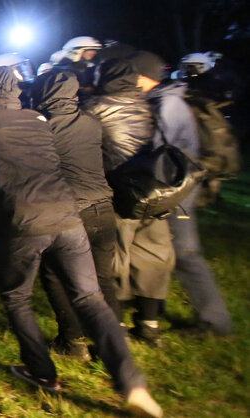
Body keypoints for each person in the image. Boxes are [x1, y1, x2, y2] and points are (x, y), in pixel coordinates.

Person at [0, 66, 162, 417]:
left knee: (17, 297)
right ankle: (132, 383)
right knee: (91, 299)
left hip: (24, 224)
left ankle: (42, 373)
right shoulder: (36, 119)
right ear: (16, 90)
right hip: (68, 218)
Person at [133, 51, 233, 335]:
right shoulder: (164, 100)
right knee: (168, 250)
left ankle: (215, 322)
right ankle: (154, 306)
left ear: (145, 77)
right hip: (175, 187)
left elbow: (163, 150)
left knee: (186, 254)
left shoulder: (168, 103)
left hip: (177, 190)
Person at [82, 57, 176, 346]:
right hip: (154, 190)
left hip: (117, 191)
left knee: (114, 257)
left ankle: (117, 323)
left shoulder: (93, 108)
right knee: (154, 254)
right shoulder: (147, 103)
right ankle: (150, 323)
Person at [30, 70, 121, 359]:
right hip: (103, 209)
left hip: (69, 213)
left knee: (56, 274)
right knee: (103, 277)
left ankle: (73, 341)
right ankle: (112, 340)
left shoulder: (41, 128)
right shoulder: (91, 123)